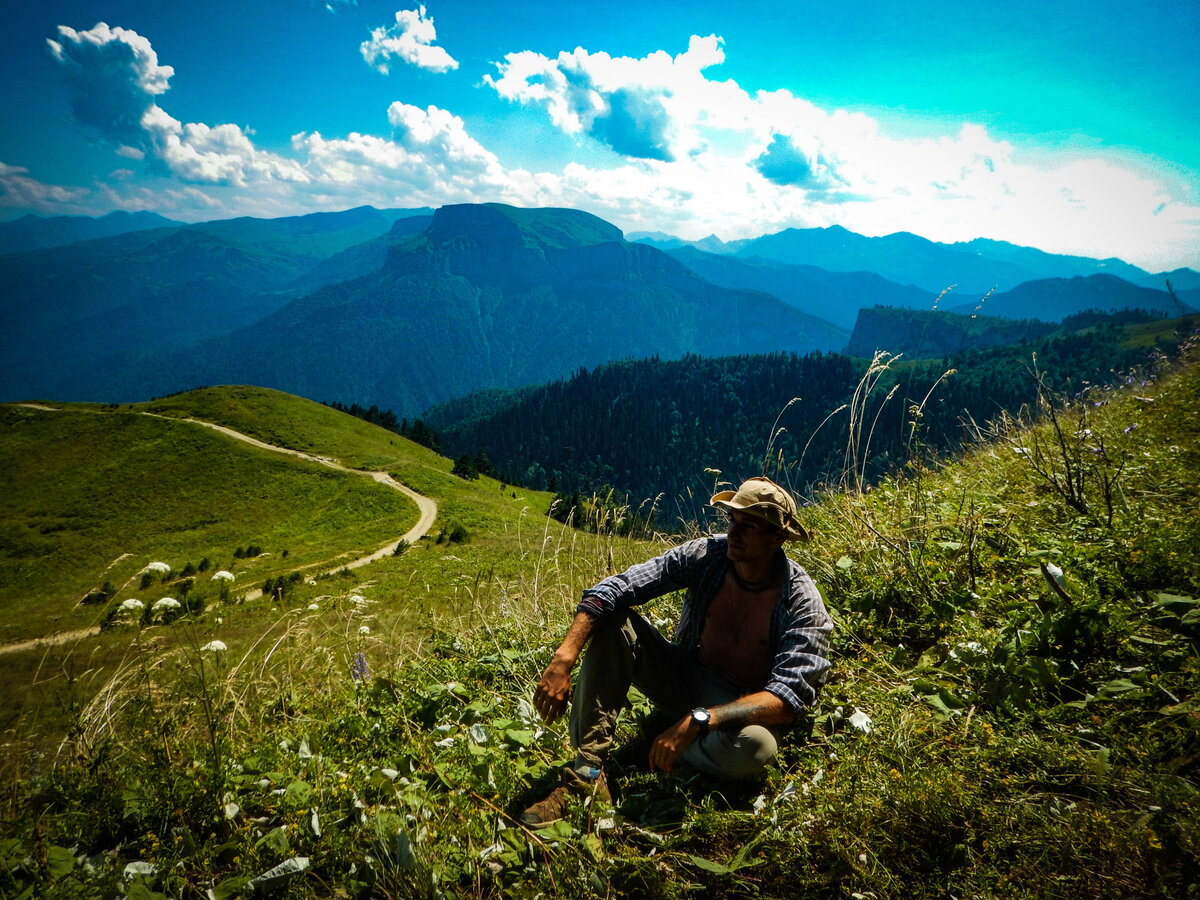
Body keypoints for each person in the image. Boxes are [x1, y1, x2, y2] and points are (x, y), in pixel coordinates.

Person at [521, 476, 833, 826]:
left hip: (741, 703)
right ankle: (587, 772)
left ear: (778, 538)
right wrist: (564, 657)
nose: (733, 533)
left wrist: (700, 720)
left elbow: (788, 699)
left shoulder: (801, 603)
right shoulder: (707, 556)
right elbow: (615, 589)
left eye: (749, 526)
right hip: (685, 675)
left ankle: (656, 746)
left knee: (756, 748)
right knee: (613, 622)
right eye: (732, 521)